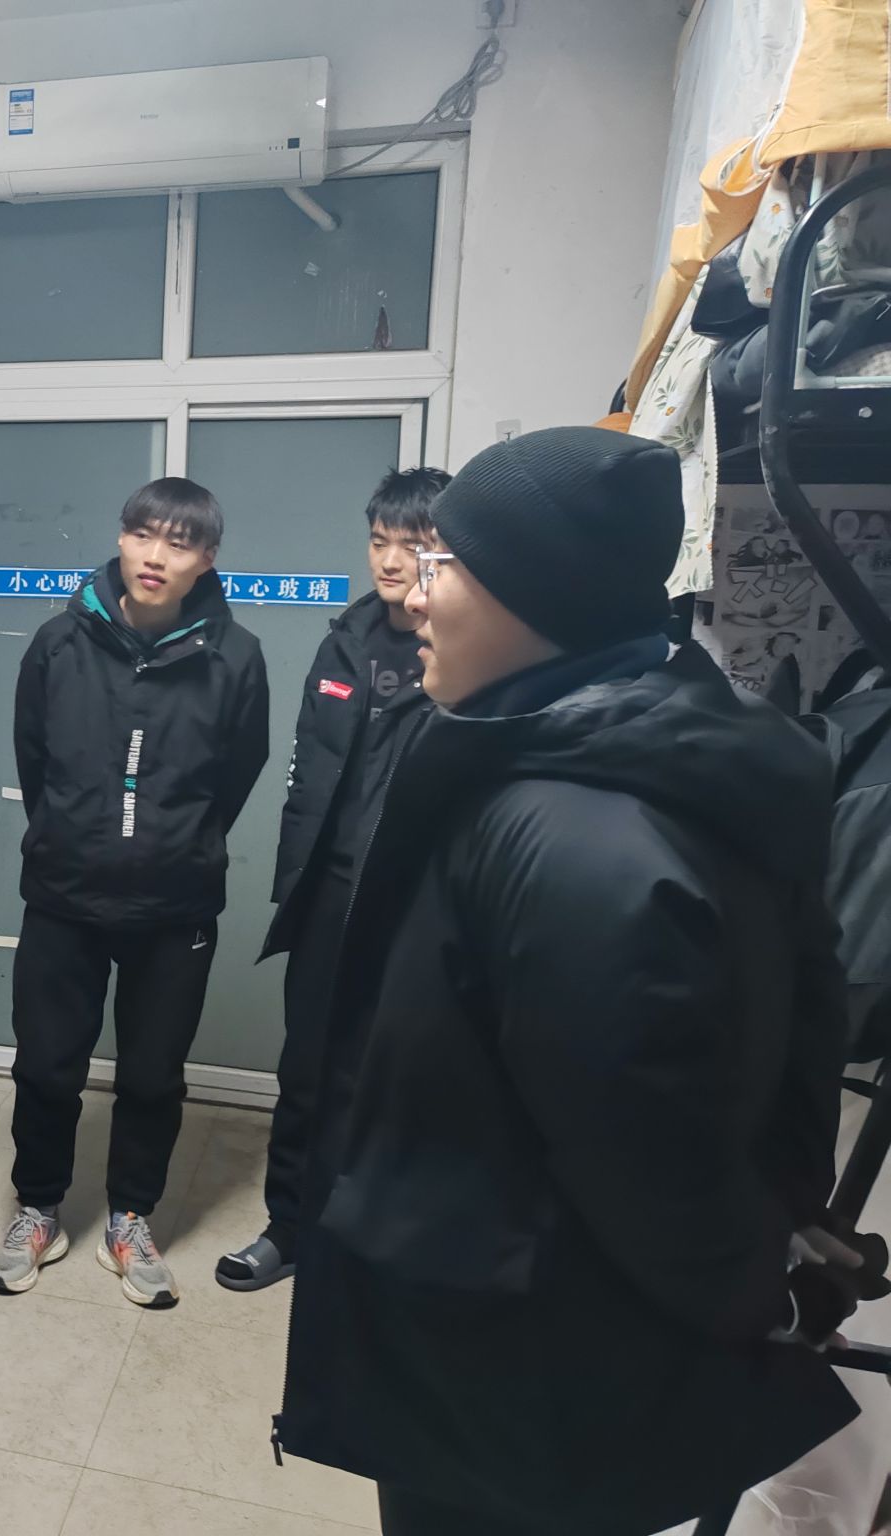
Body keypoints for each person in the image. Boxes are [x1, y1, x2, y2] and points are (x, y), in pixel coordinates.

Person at [276, 427, 858, 1536]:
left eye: (443, 564)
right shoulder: (573, 753)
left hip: (520, 1376)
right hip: (501, 1338)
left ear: (532, 594)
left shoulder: (582, 836)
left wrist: (766, 1289)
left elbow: (650, 1153)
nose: (414, 594)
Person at [0, 477, 270, 1308]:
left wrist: (176, 843)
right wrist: (74, 833)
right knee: (47, 1066)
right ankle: (39, 1209)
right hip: (64, 893)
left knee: (152, 1075)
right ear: (121, 538)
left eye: (179, 543)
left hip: (175, 905)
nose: (155, 556)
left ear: (206, 559)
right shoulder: (58, 642)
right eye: (143, 534)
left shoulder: (235, 656)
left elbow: (239, 771)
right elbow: (34, 757)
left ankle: (130, 1216)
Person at [219, 467, 449, 1293]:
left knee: (395, 1082)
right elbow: (305, 770)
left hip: (415, 906)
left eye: (410, 546)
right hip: (327, 894)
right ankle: (290, 1228)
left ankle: (371, 1246)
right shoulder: (342, 642)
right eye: (379, 541)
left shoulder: (465, 652)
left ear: (445, 554)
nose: (389, 560)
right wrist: (296, 876)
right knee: (308, 1072)